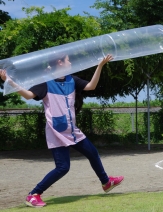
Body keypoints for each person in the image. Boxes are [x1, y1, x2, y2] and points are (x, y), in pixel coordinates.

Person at [0, 53, 124, 208]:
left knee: (92, 152)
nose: (70, 61)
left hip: (72, 130)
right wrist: (9, 81)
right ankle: (33, 194)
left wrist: (100, 66)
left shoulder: (72, 80)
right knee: (63, 167)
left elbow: (91, 86)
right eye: (68, 59)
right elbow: (28, 95)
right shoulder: (45, 82)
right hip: (56, 131)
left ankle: (106, 182)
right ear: (59, 62)